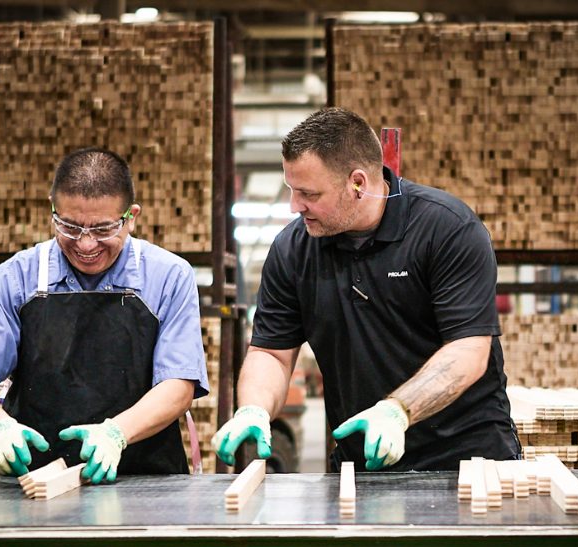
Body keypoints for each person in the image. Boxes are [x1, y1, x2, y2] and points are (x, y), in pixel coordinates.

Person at [212, 107, 521, 478]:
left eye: (309, 193)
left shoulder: (447, 229)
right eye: (292, 190)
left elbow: (469, 351)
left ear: (357, 182)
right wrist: (255, 409)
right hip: (362, 466)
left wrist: (397, 411)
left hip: (467, 460)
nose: (295, 205)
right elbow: (272, 354)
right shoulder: (293, 250)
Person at [0, 147, 208, 483]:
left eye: (103, 230)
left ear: (130, 217)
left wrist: (116, 433)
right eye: (70, 227)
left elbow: (179, 385)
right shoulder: (16, 277)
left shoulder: (168, 277)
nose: (86, 245)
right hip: (36, 481)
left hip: (145, 480)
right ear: (52, 210)